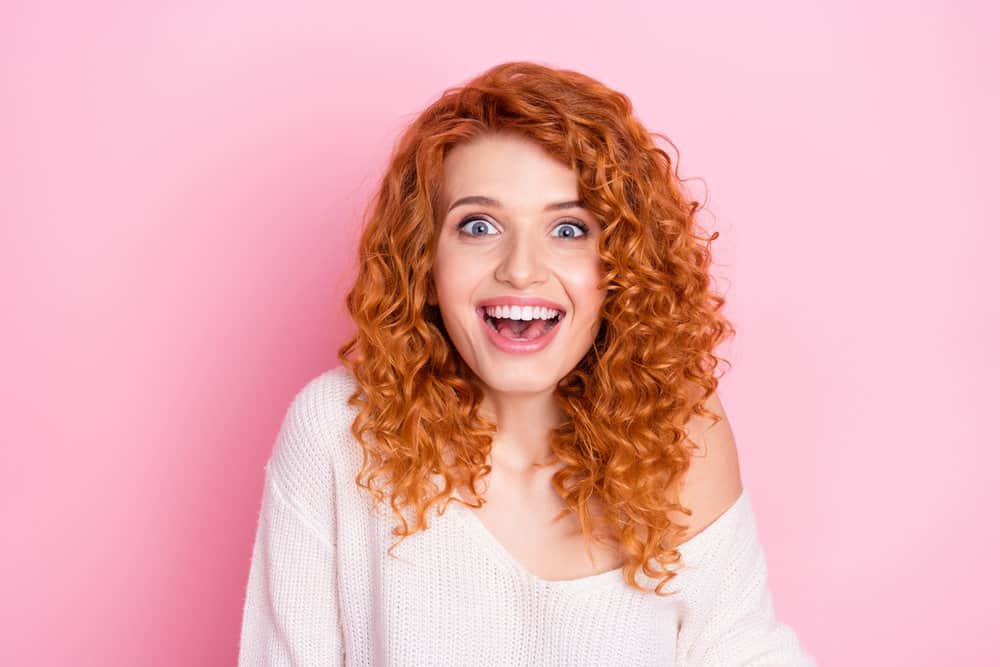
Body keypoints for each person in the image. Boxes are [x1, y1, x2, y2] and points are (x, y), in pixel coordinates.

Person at [237, 61, 818, 666]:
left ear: (620, 270)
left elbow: (742, 647)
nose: (520, 268)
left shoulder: (678, 432)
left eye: (569, 228)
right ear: (424, 266)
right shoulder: (338, 430)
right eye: (479, 225)